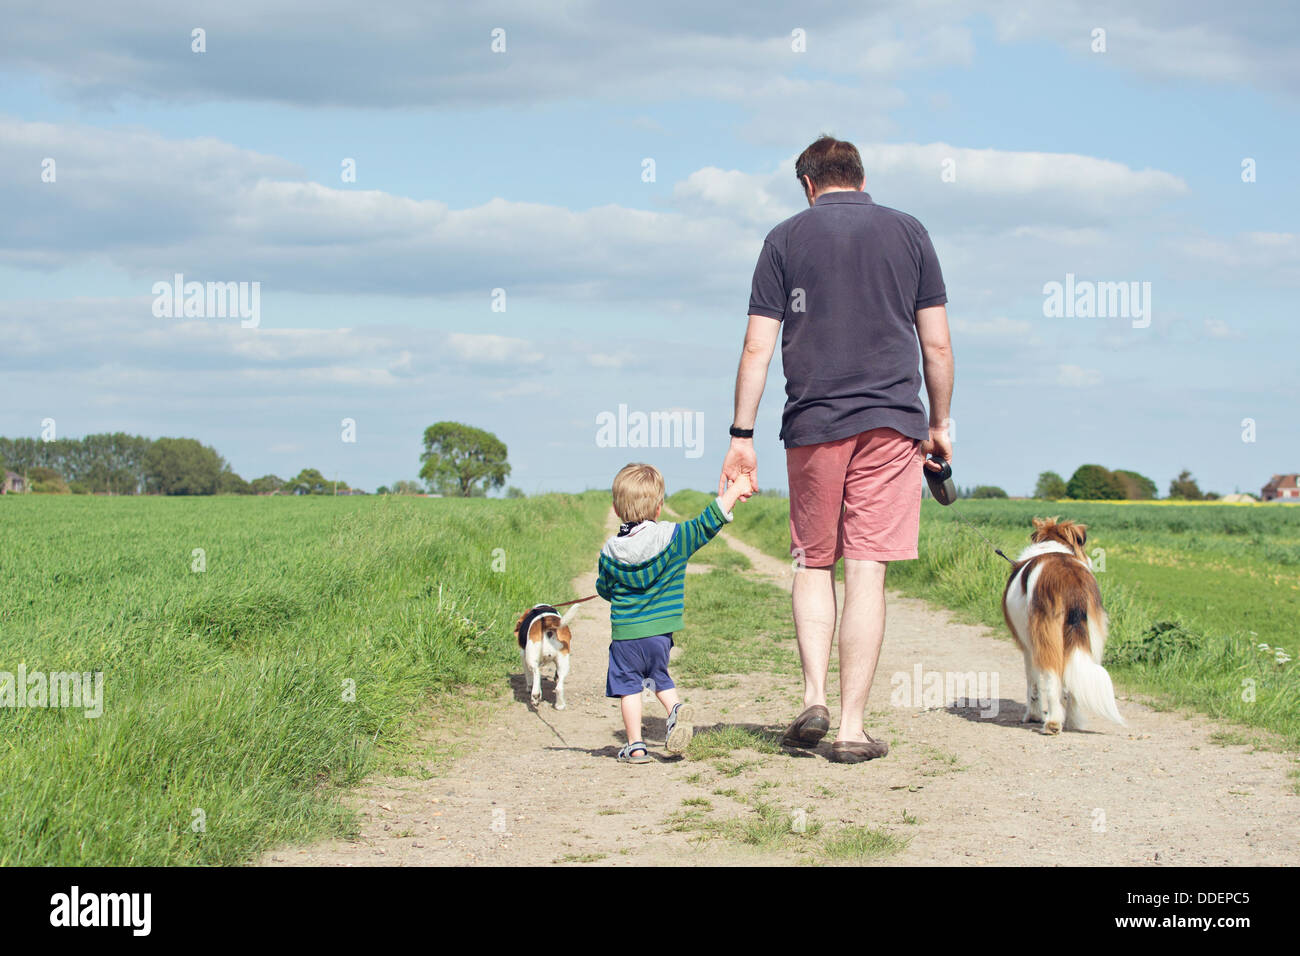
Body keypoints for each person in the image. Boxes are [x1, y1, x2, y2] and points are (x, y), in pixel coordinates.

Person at [718, 135, 955, 763]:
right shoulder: (910, 233)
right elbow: (936, 346)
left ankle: (813, 696)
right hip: (893, 423)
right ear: (860, 176)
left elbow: (756, 349)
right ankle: (851, 729)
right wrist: (942, 424)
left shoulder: (784, 239)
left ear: (807, 183)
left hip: (815, 423)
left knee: (813, 563)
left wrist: (741, 436)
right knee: (867, 570)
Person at [596, 462, 753, 763]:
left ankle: (636, 746)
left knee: (629, 688)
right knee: (658, 677)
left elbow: (604, 588)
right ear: (659, 507)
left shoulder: (610, 551)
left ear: (616, 510)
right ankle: (676, 710)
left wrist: (614, 588)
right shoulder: (676, 538)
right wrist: (735, 489)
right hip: (660, 636)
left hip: (626, 636)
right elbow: (708, 521)